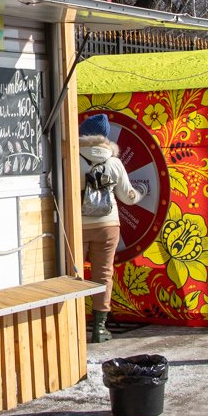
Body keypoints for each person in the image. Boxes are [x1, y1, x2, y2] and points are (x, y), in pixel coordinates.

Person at [78, 114, 141, 342]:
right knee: (103, 274)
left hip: (78, 225)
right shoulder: (114, 163)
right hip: (108, 225)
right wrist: (141, 192)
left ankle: (73, 323)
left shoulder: (72, 159)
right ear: (104, 137)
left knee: (74, 274)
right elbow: (128, 196)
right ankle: (99, 328)